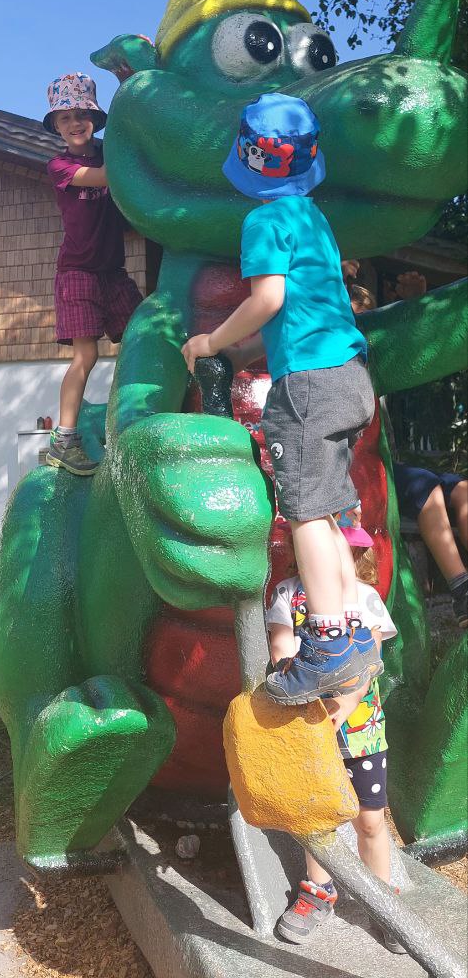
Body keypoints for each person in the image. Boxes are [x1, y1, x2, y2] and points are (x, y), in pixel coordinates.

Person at [181, 93, 382, 703]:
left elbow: (267, 299)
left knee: (304, 515)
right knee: (328, 512)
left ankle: (327, 644)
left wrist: (211, 341)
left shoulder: (263, 222)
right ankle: (354, 631)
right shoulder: (313, 218)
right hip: (350, 377)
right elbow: (300, 308)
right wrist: (244, 354)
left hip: (310, 387)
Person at [267, 509, 405, 953]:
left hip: (361, 729)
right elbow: (280, 649)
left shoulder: (366, 598)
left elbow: (370, 663)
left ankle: (383, 900)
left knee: (370, 819)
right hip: (309, 727)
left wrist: (342, 709)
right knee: (318, 813)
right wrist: (290, 671)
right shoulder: (288, 594)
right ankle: (318, 892)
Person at [346, 268, 468, 626]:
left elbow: (408, 343)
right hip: (359, 468)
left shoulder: (374, 356)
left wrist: (415, 302)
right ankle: (461, 590)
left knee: (463, 488)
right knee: (427, 488)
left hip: (387, 461)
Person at [43, 72, 142, 476]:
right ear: (56, 126)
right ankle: (64, 438)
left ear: (96, 119)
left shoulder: (108, 149)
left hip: (112, 271)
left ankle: (141, 410)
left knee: (141, 335)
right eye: (65, 118)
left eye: (82, 115)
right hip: (78, 271)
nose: (75, 123)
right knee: (87, 354)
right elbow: (107, 176)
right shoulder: (60, 165)